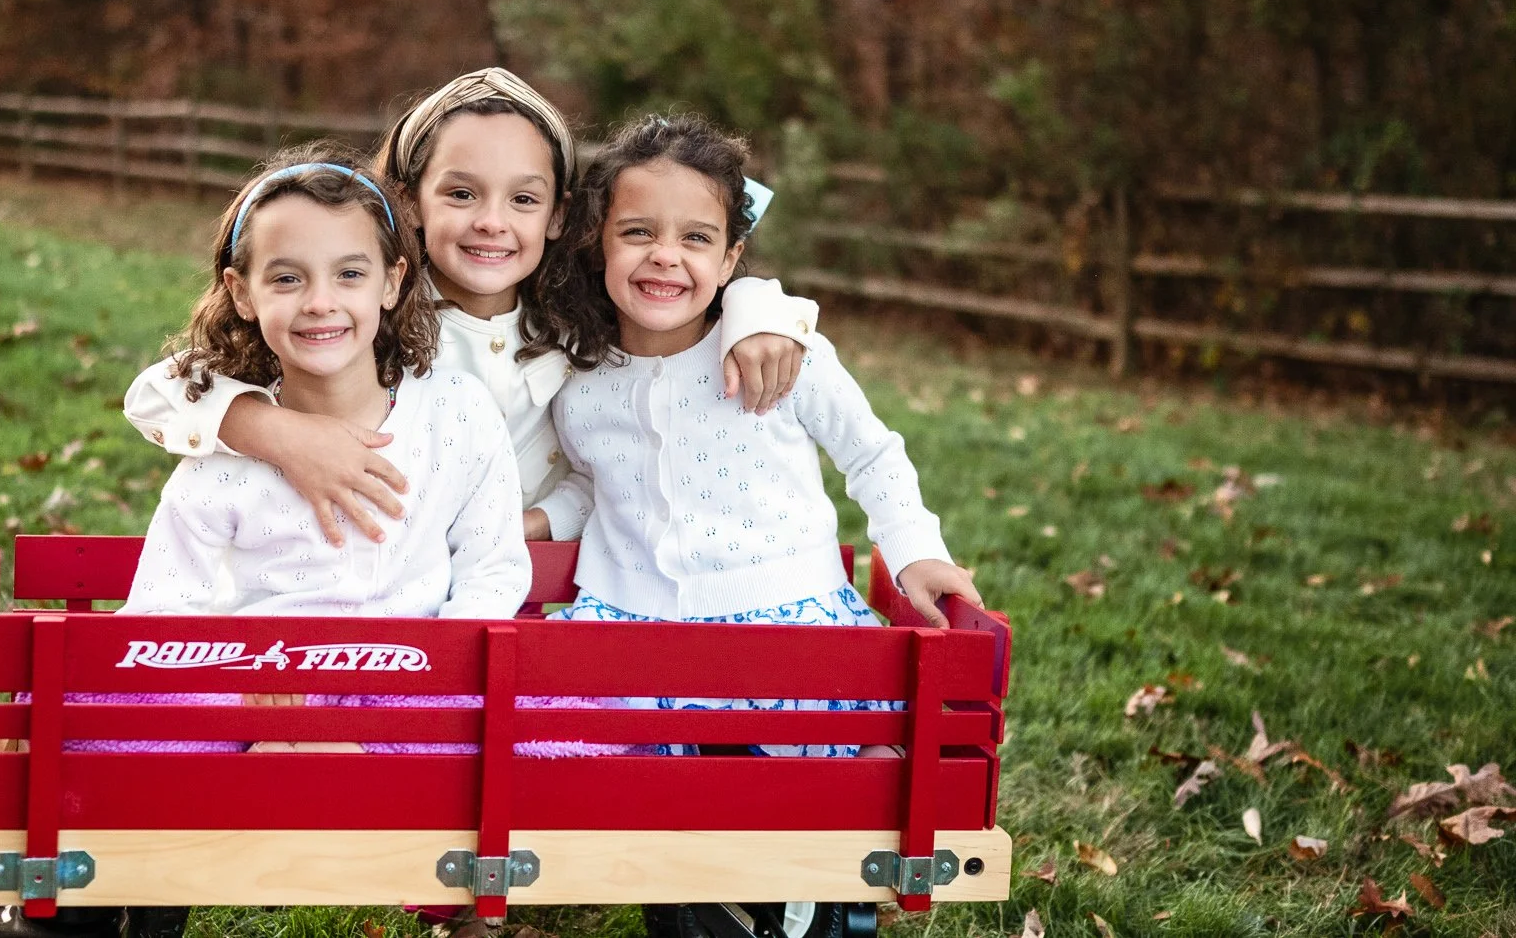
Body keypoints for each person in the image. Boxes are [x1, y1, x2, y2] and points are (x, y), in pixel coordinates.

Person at [122, 67, 824, 547]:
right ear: (410, 199)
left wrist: (757, 305)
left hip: (534, 596)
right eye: (460, 194)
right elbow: (159, 394)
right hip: (374, 583)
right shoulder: (365, 314)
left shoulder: (581, 324)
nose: (492, 221)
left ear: (558, 215)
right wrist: (281, 434)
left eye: (523, 198)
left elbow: (690, 284)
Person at [106, 148, 624, 760]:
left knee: (577, 733)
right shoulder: (225, 451)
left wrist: (436, 672)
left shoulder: (455, 413)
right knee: (121, 731)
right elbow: (164, 610)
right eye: (287, 278)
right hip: (264, 685)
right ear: (241, 294)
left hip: (417, 683)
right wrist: (241, 671)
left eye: (349, 274)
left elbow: (492, 567)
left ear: (392, 282)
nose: (320, 302)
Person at [536, 115, 984, 757]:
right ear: (599, 244)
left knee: (867, 761)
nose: (666, 254)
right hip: (628, 625)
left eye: (696, 237)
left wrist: (913, 549)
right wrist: (538, 520)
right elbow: (597, 482)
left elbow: (872, 454)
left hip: (787, 618)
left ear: (729, 261)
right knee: (552, 756)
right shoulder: (581, 378)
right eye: (637, 233)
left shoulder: (779, 354)